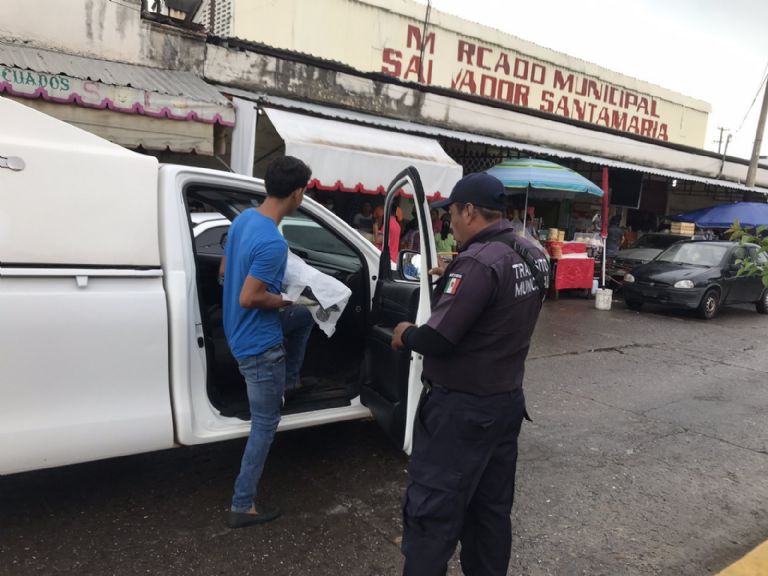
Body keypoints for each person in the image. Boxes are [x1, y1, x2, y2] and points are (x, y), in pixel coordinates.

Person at [391, 172, 548, 576]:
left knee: (432, 515)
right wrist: (450, 281)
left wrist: (405, 333)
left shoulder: (478, 262)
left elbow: (438, 340)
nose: (450, 223)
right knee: (489, 515)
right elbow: (496, 313)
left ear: (470, 211)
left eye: (453, 215)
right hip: (505, 403)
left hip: (460, 412)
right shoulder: (534, 255)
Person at [221, 155, 312, 529]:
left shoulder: (243, 219)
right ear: (297, 193)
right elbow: (249, 297)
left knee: (303, 319)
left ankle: (290, 379)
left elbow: (226, 272)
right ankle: (243, 504)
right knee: (265, 424)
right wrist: (282, 299)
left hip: (237, 329)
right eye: (304, 191)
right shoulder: (273, 243)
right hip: (260, 345)